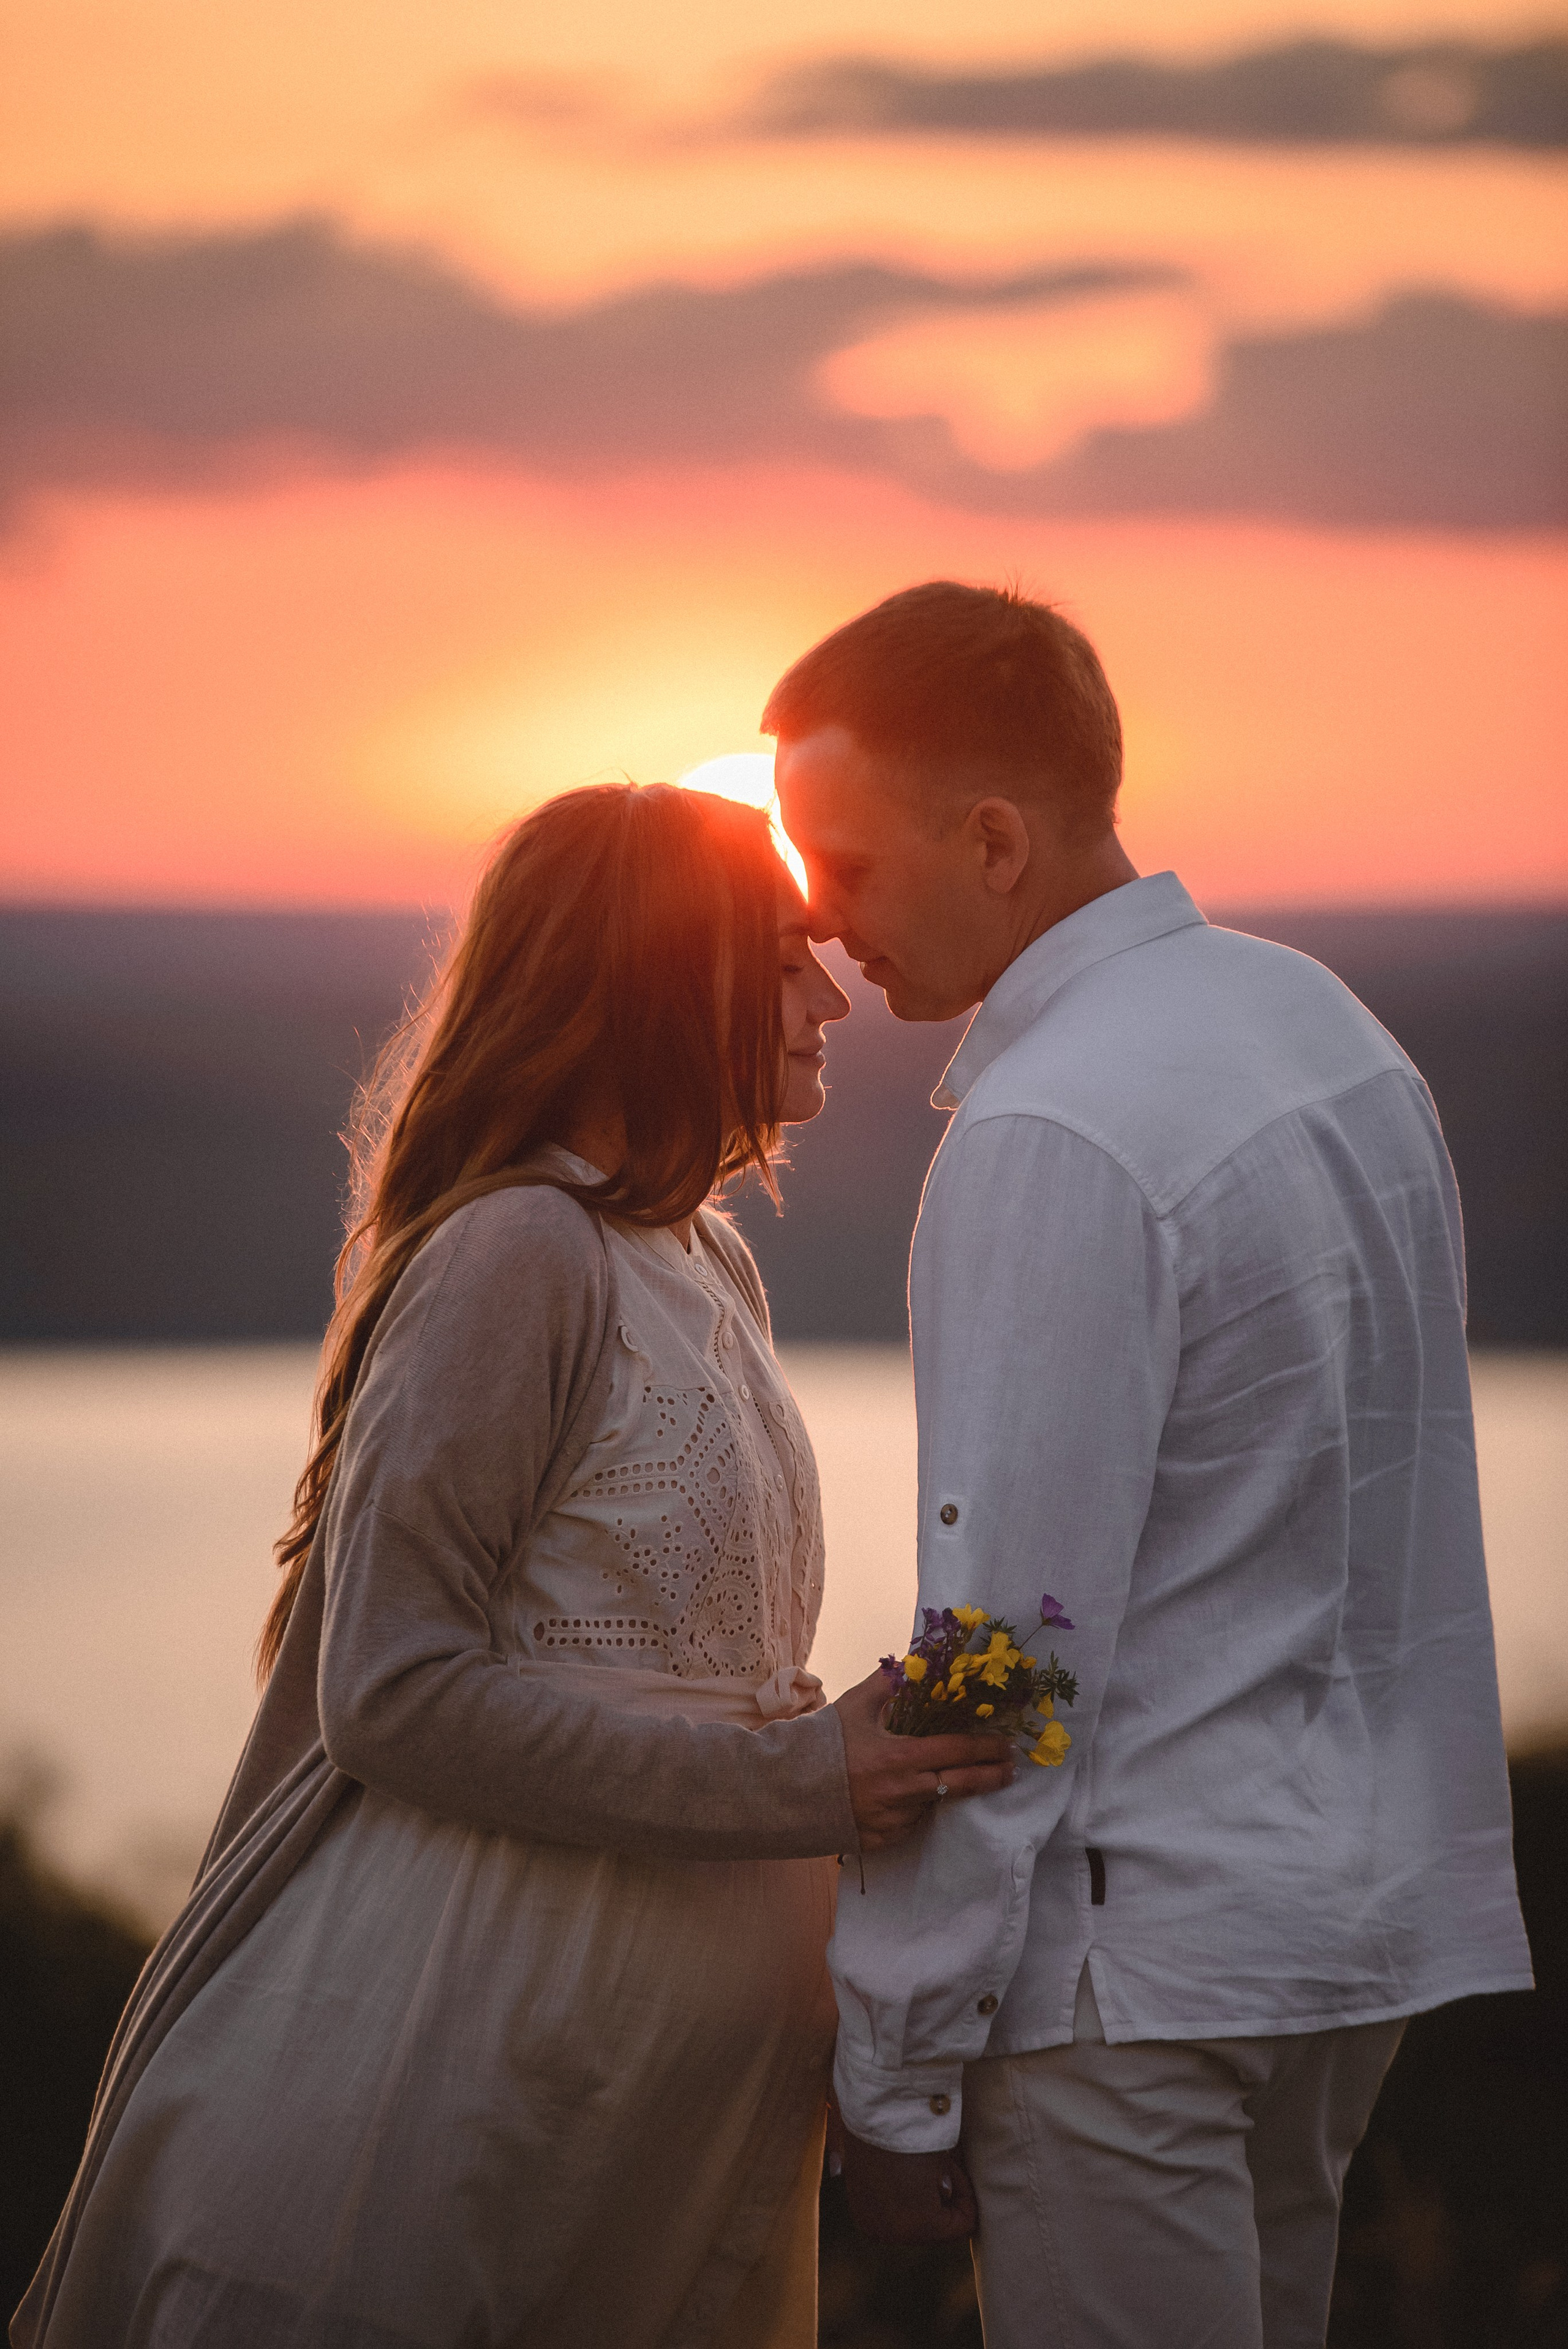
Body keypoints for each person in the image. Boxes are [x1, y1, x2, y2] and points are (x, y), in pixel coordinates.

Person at [12, 780, 1016, 2349]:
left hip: (642, 2130)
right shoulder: (515, 1252)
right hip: (457, 2087)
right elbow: (391, 1694)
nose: (827, 992)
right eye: (773, 955)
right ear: (654, 977)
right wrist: (808, 1778)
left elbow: (731, 1690)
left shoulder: (701, 1256)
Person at [767, 582, 1533, 2349]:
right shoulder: (1324, 1030)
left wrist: (894, 2060)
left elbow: (1000, 1650)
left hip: (1128, 1982)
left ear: (994, 837)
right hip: (1332, 1940)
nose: (825, 926)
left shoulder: (1053, 1129)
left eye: (851, 866)